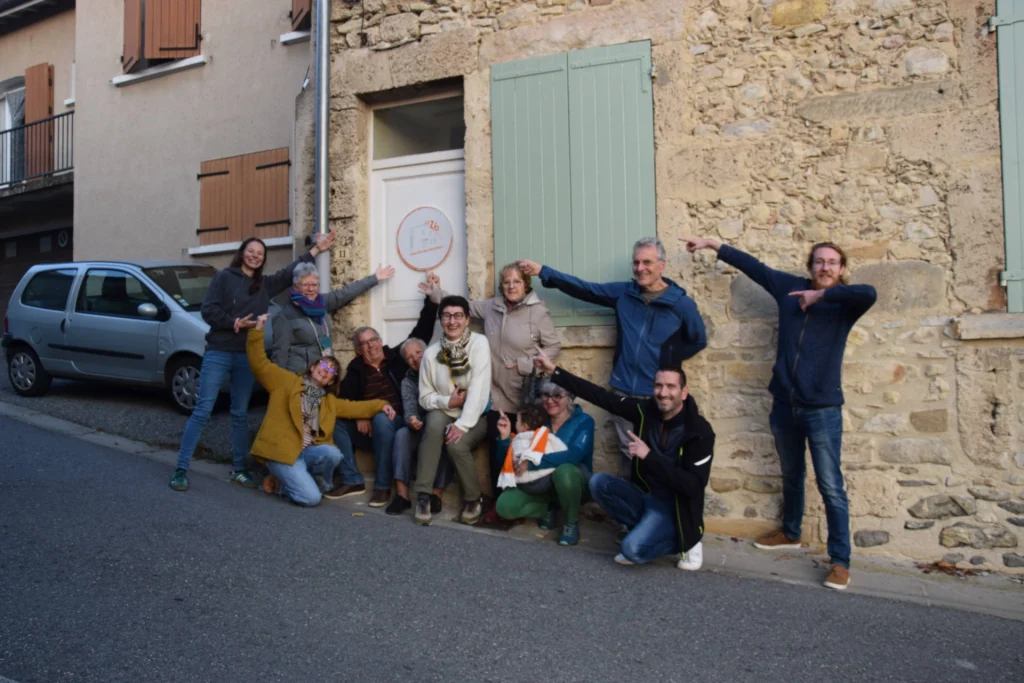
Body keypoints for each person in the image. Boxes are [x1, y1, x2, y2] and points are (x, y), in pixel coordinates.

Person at [683, 237, 877, 591]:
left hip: (823, 409)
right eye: (819, 261)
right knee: (791, 472)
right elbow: (755, 268)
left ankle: (840, 561)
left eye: (833, 262)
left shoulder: (846, 303)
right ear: (810, 266)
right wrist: (716, 245)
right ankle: (790, 531)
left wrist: (822, 297)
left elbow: (870, 293)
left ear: (842, 268)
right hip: (784, 405)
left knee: (831, 485)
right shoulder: (789, 289)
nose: (825, 268)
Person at [517, 237, 706, 479]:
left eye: (647, 262)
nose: (640, 268)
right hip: (624, 393)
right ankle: (631, 512)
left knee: (661, 457)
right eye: (636, 263)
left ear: (662, 265)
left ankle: (659, 510)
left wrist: (668, 358)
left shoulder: (681, 304)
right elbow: (586, 289)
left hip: (660, 396)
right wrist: (544, 271)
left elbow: (698, 340)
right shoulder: (624, 294)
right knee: (629, 455)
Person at [169, 232, 336, 493]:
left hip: (247, 355)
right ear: (242, 252)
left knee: (239, 413)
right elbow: (208, 310)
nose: (255, 256)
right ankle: (181, 468)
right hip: (220, 350)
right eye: (251, 251)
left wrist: (316, 250)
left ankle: (238, 469)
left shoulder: (264, 285)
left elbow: (288, 272)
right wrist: (235, 323)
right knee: (203, 409)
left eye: (260, 253)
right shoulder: (224, 277)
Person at [533, 347, 715, 569]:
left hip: (675, 506)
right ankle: (644, 528)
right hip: (646, 497)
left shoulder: (699, 431)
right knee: (598, 483)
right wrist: (554, 371)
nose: (663, 392)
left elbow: (693, 487)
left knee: (631, 550)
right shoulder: (645, 410)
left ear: (684, 392)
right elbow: (602, 397)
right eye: (658, 385)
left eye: (670, 387)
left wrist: (649, 456)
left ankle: (687, 542)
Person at [422, 264, 560, 518]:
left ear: (526, 284)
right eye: (506, 281)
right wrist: (436, 292)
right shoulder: (492, 306)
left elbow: (553, 347)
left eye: (517, 281)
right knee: (500, 451)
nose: (511, 286)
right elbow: (462, 307)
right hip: (495, 395)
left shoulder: (537, 311)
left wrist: (524, 364)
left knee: (528, 450)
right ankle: (501, 505)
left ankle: (541, 504)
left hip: (524, 394)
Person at [245, 315, 394, 506]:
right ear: (313, 366)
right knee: (312, 499)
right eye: (324, 365)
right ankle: (282, 483)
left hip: (306, 453)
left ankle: (296, 481)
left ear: (331, 381)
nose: (326, 370)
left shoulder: (328, 400)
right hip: (282, 452)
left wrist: (381, 404)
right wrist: (257, 331)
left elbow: (355, 407)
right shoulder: (287, 382)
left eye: (332, 371)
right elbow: (260, 364)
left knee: (332, 453)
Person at [329, 287, 440, 506]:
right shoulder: (356, 369)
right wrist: (359, 415)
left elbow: (422, 331)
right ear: (359, 350)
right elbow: (343, 401)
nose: (371, 346)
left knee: (382, 418)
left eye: (374, 340)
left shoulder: (396, 357)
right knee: (336, 422)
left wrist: (432, 299)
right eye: (364, 343)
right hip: (370, 429)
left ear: (381, 341)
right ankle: (352, 479)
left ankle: (381, 487)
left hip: (399, 421)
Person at [414, 295, 492, 526]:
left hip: (476, 414)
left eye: (458, 316)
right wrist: (448, 402)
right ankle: (423, 495)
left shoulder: (479, 344)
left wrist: (463, 423)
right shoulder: (430, 353)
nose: (452, 321)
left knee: (456, 444)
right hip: (447, 409)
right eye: (446, 316)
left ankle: (472, 499)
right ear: (441, 320)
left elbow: (479, 388)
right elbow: (425, 398)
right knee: (434, 425)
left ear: (467, 319)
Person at [494, 378, 596, 546]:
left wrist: (532, 462)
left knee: (565, 470)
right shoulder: (539, 420)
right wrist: (505, 439)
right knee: (505, 506)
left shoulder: (584, 421)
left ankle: (570, 523)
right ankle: (548, 508)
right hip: (541, 485)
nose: (550, 400)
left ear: (569, 397)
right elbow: (508, 462)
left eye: (557, 395)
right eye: (545, 395)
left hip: (574, 483)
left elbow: (573, 456)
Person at [270, 261, 396, 372]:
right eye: (305, 285)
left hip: (325, 372)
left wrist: (374, 279)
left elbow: (345, 293)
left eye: (314, 285)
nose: (310, 289)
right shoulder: (285, 316)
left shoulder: (321, 303)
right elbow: (279, 356)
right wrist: (281, 388)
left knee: (326, 398)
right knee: (312, 399)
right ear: (295, 287)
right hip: (301, 377)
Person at [385, 337, 455, 516]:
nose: (415, 358)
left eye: (418, 353)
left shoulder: (444, 370)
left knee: (442, 433)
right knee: (401, 434)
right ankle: (402, 496)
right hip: (420, 427)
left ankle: (436, 494)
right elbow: (409, 409)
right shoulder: (408, 381)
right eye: (409, 357)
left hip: (443, 423)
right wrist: (412, 420)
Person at [494, 403, 566, 494]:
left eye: (517, 420)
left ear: (524, 427)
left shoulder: (516, 441)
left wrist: (505, 439)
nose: (515, 423)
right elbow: (563, 451)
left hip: (524, 485)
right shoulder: (548, 436)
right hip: (546, 481)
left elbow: (505, 462)